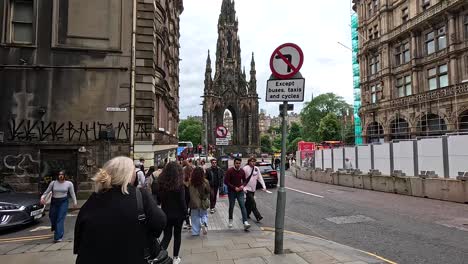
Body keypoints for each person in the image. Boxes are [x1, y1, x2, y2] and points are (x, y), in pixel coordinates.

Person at [74, 156, 166, 264]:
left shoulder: (94, 198)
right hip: (132, 256)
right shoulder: (139, 195)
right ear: (128, 175)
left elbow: (80, 233)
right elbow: (160, 222)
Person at [156, 162, 187, 264]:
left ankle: (158, 255)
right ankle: (175, 258)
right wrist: (186, 214)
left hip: (166, 213)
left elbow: (159, 199)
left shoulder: (162, 184)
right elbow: (182, 202)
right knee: (177, 235)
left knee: (167, 236)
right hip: (178, 215)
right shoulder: (180, 185)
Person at [41, 170, 77, 242]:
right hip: (54, 201)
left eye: (62, 175)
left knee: (60, 218)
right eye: (59, 175)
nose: (60, 176)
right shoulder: (53, 183)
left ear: (64, 176)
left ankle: (58, 237)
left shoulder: (69, 184)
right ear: (57, 176)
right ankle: (55, 227)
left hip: (63, 202)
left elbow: (72, 193)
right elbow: (47, 191)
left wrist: (75, 202)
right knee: (52, 216)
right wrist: (42, 197)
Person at [224, 157, 250, 230]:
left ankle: (245, 222)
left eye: (239, 163)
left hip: (240, 191)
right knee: (231, 206)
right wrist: (234, 187)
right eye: (236, 163)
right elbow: (226, 181)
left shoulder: (242, 171)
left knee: (242, 206)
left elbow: (245, 180)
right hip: (232, 191)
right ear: (234, 163)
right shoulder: (230, 171)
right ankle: (230, 220)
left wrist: (242, 186)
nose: (238, 164)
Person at [243, 157, 267, 223]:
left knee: (248, 203)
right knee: (253, 202)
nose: (253, 162)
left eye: (254, 161)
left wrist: (264, 186)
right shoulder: (245, 168)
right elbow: (241, 179)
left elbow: (260, 178)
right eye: (251, 161)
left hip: (253, 189)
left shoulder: (256, 168)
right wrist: (243, 188)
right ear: (249, 162)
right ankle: (258, 216)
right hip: (247, 189)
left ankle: (246, 214)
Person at [188, 167, 210, 236]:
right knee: (204, 215)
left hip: (193, 203)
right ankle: (203, 223)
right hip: (203, 202)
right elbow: (208, 191)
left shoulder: (190, 182)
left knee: (194, 218)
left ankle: (195, 232)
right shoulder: (205, 181)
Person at [182, 164, 194, 230]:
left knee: (185, 208)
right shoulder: (192, 178)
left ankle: (187, 222)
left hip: (184, 195)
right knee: (191, 208)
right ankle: (190, 221)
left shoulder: (182, 179)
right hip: (191, 194)